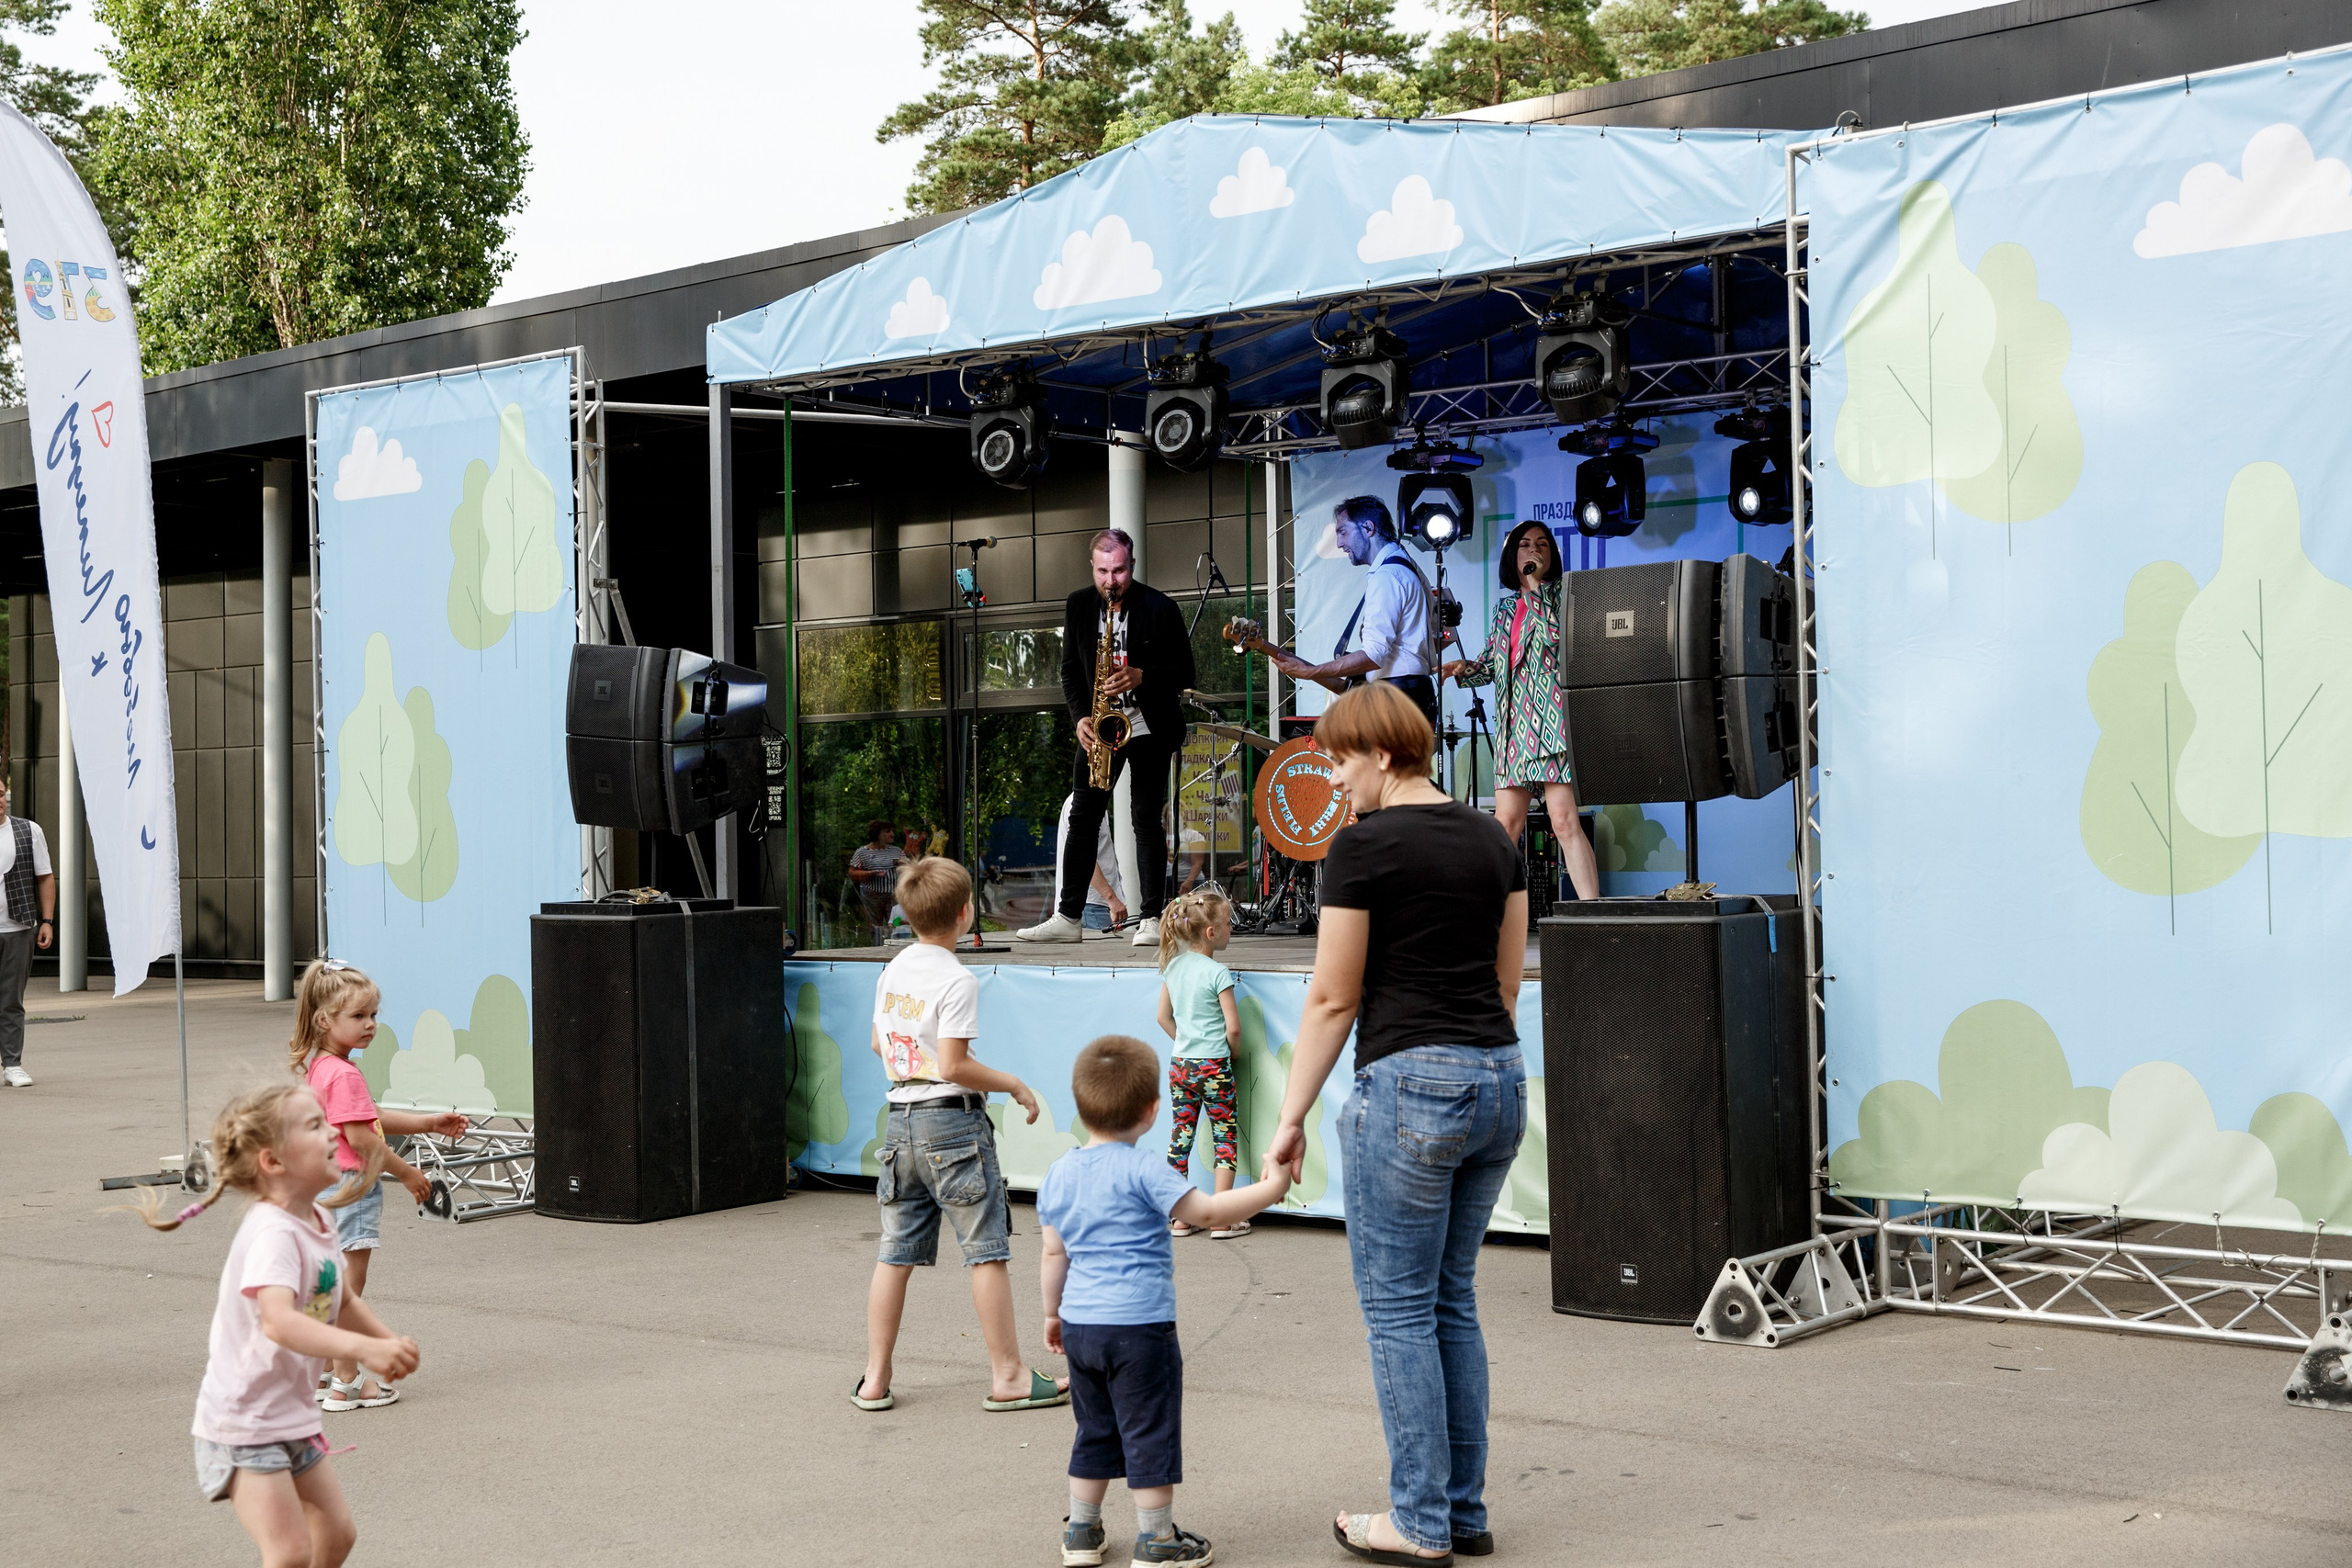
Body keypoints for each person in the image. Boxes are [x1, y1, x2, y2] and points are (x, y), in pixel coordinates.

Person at [1265, 682, 1528, 1565]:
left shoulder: (1364, 846)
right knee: (1452, 1298)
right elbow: (1507, 980)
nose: (1334, 781)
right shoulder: (1496, 837)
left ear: (1381, 752)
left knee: (1401, 1311)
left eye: (1339, 760)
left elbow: (1335, 996)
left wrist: (1290, 1115)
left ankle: (1418, 1520)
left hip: (1412, 1086)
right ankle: (1462, 1508)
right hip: (1498, 1078)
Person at [122, 1082, 420, 1568]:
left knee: (338, 1534)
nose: (332, 1133)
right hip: (243, 1422)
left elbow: (340, 1297)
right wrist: (363, 1351)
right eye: (315, 1125)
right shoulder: (272, 1233)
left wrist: (386, 1341)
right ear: (273, 1162)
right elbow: (278, 1323)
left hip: (292, 1415)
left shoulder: (319, 1218)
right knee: (288, 1552)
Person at [1037, 1034, 1292, 1568]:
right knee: (1147, 1427)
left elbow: (1052, 1253)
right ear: (1153, 1111)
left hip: (1081, 1326)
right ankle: (1156, 1539)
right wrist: (1270, 1189)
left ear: (1080, 1107)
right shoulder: (1146, 1168)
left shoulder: (1058, 1173)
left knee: (1095, 1427)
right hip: (1140, 1327)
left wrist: (1051, 1314)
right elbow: (1209, 1212)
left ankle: (1081, 1533)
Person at [858, 856, 1070, 1415]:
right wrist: (1013, 1085)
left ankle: (875, 1378)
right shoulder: (957, 978)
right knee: (986, 1252)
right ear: (964, 912)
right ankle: (1009, 1375)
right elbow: (952, 1065)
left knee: (895, 1253)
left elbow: (882, 1046)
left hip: (899, 1124)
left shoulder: (893, 969)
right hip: (950, 1122)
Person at [288, 959, 468, 1411]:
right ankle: (348, 1381)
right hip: (354, 1185)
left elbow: (369, 1116)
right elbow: (364, 1139)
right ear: (324, 1020)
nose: (370, 1025)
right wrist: (407, 1174)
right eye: (358, 1016)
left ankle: (321, 1369)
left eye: (373, 1015)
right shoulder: (344, 1073)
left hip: (327, 1185)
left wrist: (428, 1122)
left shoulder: (324, 1067)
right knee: (351, 1286)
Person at [1019, 528, 1195, 948]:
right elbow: (1069, 670)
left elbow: (1186, 673)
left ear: (1131, 565)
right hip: (1101, 726)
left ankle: (1151, 918)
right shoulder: (1079, 604)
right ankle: (1068, 916)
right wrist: (1080, 716)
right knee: (1082, 819)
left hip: (1149, 725)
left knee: (1145, 819)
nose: (1111, 581)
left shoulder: (1160, 607)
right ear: (1092, 568)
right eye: (1103, 571)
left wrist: (1142, 676)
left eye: (1119, 570)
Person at [1442, 520, 1602, 901]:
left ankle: (1594, 914)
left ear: (1551, 556)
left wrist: (1535, 590)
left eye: (1542, 545)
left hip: (1551, 725)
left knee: (1563, 821)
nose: (1534, 551)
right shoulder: (1504, 609)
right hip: (1514, 730)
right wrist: (1464, 669)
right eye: (1526, 545)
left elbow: (1557, 639)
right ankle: (1487, 917)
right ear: (1513, 556)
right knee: (1505, 826)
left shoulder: (1563, 596)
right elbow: (1496, 663)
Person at [1260, 496, 1439, 730]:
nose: (1339, 544)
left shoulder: (1387, 576)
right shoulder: (1408, 567)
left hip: (1397, 698)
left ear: (1368, 528)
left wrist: (1310, 671)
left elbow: (1374, 654)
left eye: (1343, 532)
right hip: (1414, 694)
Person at [1154, 887, 1243, 1236]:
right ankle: (1221, 1218)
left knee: (1181, 1137)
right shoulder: (1217, 973)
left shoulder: (1173, 967)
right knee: (1224, 1137)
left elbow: (1162, 1017)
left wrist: (1186, 1043)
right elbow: (1233, 1028)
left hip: (1182, 1067)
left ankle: (1181, 1217)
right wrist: (1231, 1053)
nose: (1231, 928)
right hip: (1214, 1067)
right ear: (1211, 933)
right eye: (1227, 923)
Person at [0, 781, 56, 1088]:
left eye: (0, 794)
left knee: (11, 1000)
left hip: (18, 928)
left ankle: (12, 1064)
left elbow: (45, 877)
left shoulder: (28, 830)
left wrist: (47, 920)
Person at [848, 820, 906, 942]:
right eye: (887, 831)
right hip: (872, 895)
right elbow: (852, 873)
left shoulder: (896, 851)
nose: (892, 834)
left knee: (895, 922)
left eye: (892, 831)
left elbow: (907, 869)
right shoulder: (862, 852)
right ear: (877, 834)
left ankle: (894, 946)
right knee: (875, 925)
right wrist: (871, 873)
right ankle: (877, 947)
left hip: (893, 895)